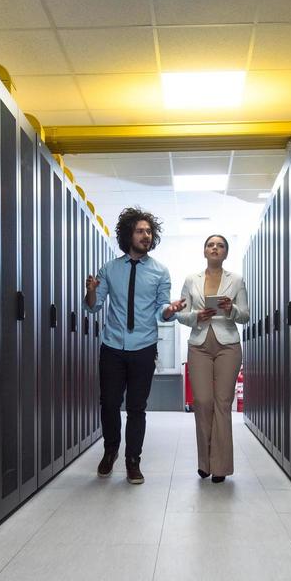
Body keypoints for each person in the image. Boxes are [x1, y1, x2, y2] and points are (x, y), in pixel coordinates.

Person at [85, 207, 185, 484]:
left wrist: (170, 309)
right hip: (113, 346)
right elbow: (94, 308)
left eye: (149, 232)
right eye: (140, 231)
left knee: (137, 407)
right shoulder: (110, 269)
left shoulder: (159, 272)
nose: (146, 235)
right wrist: (91, 290)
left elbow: (161, 309)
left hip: (143, 346)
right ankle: (110, 451)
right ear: (128, 234)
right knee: (108, 404)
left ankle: (133, 460)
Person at [174, 234, 249, 481]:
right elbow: (181, 315)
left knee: (222, 403)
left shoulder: (236, 280)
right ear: (204, 251)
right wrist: (197, 315)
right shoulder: (191, 279)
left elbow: (245, 316)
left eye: (220, 246)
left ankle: (220, 467)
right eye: (210, 245)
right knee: (203, 402)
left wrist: (231, 309)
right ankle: (204, 463)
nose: (214, 248)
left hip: (228, 345)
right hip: (199, 344)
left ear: (226, 253)